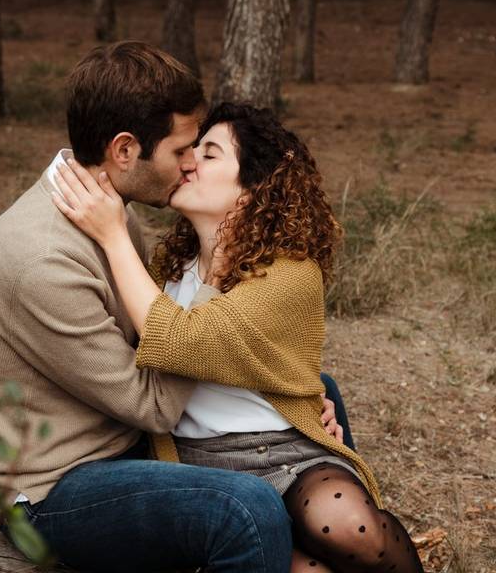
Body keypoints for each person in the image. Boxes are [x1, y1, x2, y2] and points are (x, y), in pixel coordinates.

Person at [0, 42, 347, 572]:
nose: (190, 164)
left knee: (312, 390)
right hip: (54, 485)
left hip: (121, 437)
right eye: (181, 149)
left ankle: (327, 545)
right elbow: (155, 405)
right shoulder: (44, 260)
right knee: (245, 509)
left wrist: (299, 400)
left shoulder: (111, 209)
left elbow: (152, 343)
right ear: (125, 150)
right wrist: (213, 277)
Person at [52, 102, 425, 572]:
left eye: (209, 155)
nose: (188, 162)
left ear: (251, 189)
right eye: (191, 151)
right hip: (201, 466)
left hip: (287, 449)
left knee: (350, 525)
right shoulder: (170, 269)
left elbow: (183, 342)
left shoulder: (289, 273)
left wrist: (112, 236)